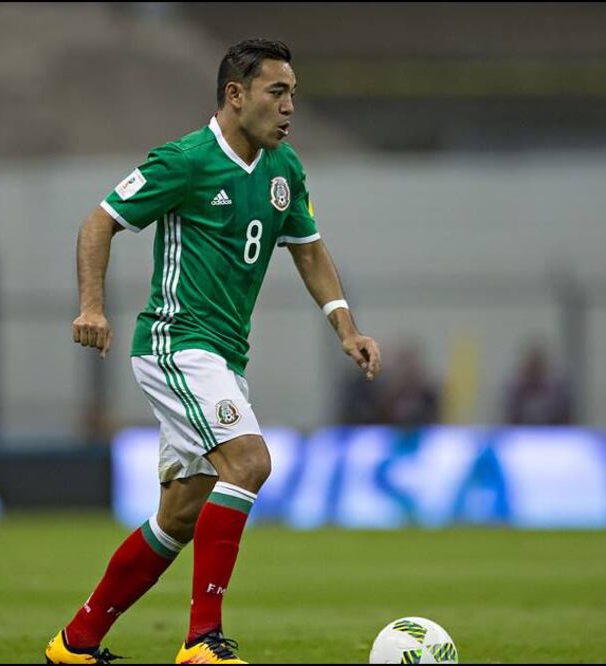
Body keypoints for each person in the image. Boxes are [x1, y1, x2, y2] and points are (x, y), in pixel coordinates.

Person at [47, 39, 382, 665]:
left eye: (293, 95)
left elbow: (308, 249)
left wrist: (345, 326)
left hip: (224, 358)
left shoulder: (285, 171)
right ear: (236, 95)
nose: (289, 108)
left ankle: (75, 643)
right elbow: (100, 221)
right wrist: (92, 307)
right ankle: (202, 643)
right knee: (249, 462)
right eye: (276, 93)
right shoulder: (186, 160)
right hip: (177, 343)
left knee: (179, 515)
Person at [502, 342, 573, 425]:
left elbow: (565, 419)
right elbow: (511, 418)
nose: (535, 370)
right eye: (532, 366)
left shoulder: (558, 394)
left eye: (538, 366)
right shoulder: (517, 392)